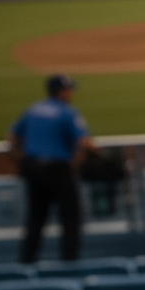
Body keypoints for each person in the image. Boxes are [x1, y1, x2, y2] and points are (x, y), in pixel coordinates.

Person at [8, 75, 94, 263]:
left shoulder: (33, 109)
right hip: (58, 170)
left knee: (36, 219)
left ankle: (27, 263)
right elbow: (83, 142)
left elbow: (13, 136)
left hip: (32, 169)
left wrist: (20, 161)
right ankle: (69, 263)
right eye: (68, 89)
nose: (71, 93)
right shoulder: (67, 112)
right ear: (61, 91)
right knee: (70, 218)